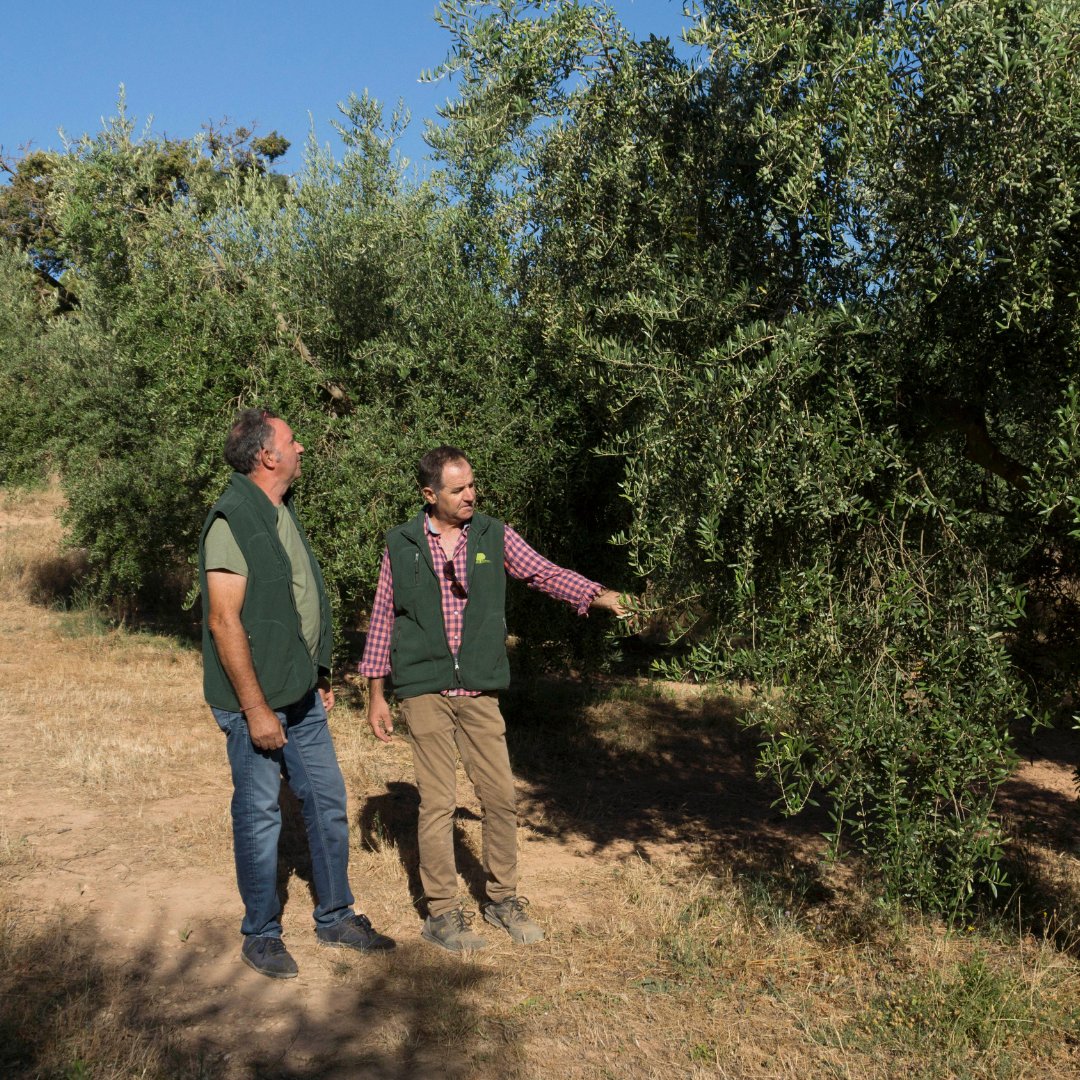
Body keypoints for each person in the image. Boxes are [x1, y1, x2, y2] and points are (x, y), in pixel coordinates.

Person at [360, 445, 625, 953]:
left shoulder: (493, 534)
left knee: (499, 796)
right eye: (457, 489)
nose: (469, 496)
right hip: (424, 689)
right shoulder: (400, 544)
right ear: (428, 494)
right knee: (437, 802)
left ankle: (502, 899)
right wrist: (377, 693)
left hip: (478, 689)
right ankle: (441, 913)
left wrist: (597, 594)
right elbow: (381, 619)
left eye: (472, 486)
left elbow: (543, 572)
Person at [199, 408, 395, 979]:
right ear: (267, 456)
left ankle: (335, 916)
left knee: (328, 801)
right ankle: (261, 933)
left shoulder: (279, 510)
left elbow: (295, 600)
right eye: (291, 440)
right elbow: (224, 622)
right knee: (261, 814)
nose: (301, 446)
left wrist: (319, 673)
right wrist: (257, 709)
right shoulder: (232, 518)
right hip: (255, 701)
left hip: (301, 692)